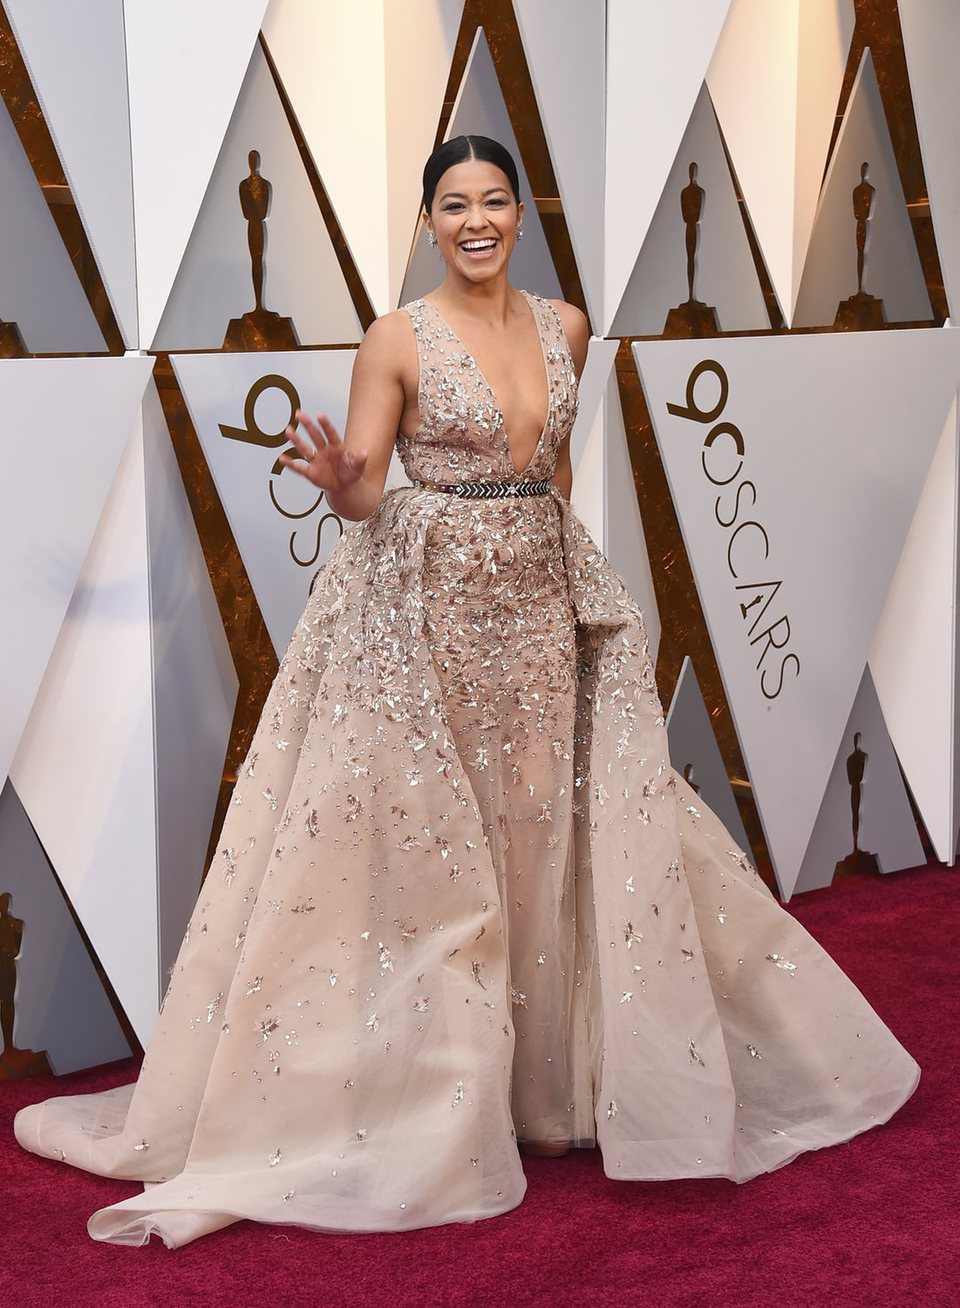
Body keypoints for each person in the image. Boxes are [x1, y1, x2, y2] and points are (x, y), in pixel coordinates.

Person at [15, 135, 919, 1248]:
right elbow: (362, 489)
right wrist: (347, 480)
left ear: (520, 216)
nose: (476, 218)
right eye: (455, 203)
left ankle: (546, 1094)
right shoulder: (396, 336)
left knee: (545, 828)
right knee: (434, 850)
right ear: (429, 221)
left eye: (495, 200)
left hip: (539, 604)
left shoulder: (568, 326)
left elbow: (559, 473)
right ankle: (430, 1093)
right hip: (426, 609)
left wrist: (568, 587)